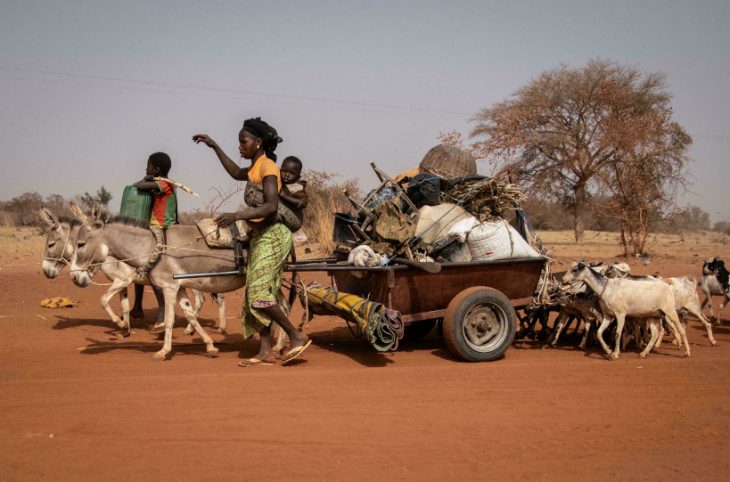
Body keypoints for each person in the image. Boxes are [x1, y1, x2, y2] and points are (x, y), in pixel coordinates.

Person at [192, 118, 311, 366]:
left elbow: (270, 205)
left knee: (258, 291)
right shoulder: (256, 166)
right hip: (261, 235)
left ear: (258, 142)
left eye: (243, 141)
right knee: (256, 293)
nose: (240, 146)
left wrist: (236, 216)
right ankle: (264, 350)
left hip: (275, 235)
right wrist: (214, 146)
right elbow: (236, 172)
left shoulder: (268, 167)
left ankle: (295, 336)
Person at [133, 152, 178, 281]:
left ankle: (146, 268)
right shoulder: (161, 183)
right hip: (155, 223)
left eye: (149, 166)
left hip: (162, 224)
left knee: (159, 246)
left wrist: (146, 178)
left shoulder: (165, 184)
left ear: (157, 170)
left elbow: (139, 186)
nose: (146, 169)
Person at [278, 156, 308, 231]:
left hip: (293, 217)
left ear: (298, 177)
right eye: (284, 171)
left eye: (292, 173)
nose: (287, 175)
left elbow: (302, 203)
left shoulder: (296, 187)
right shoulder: (278, 182)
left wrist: (284, 196)